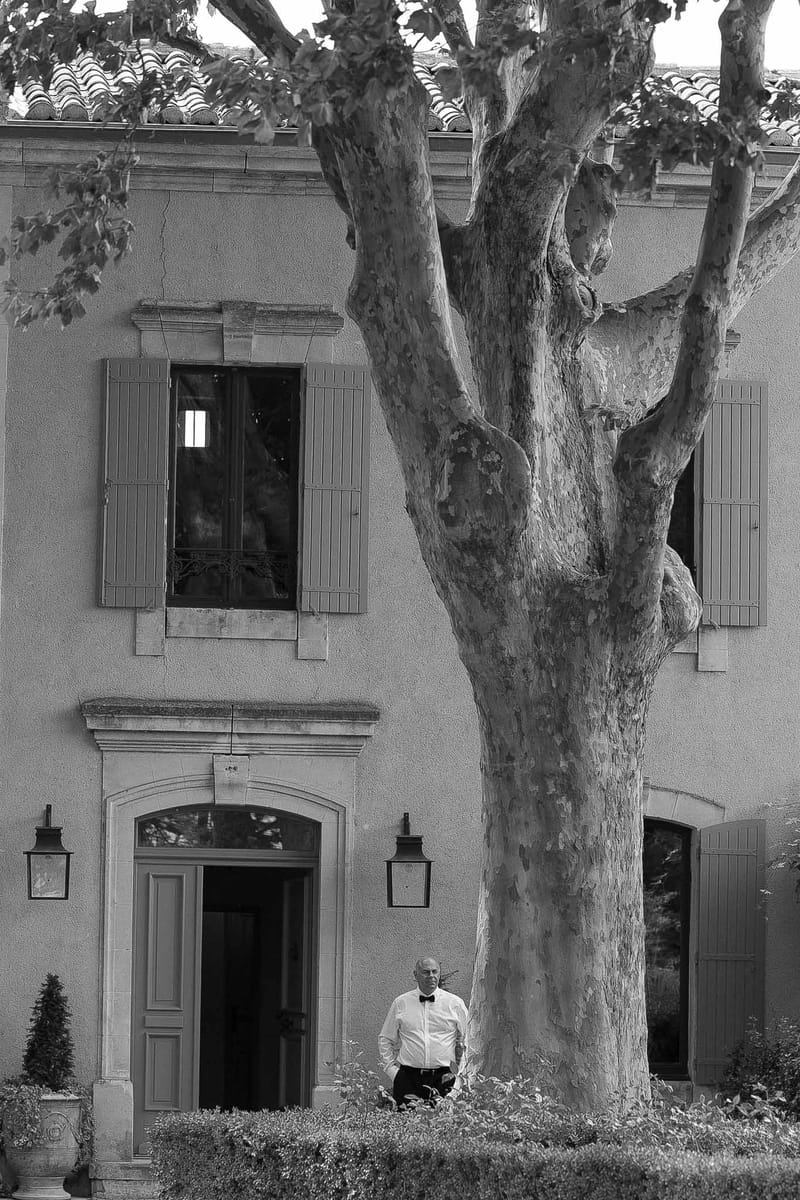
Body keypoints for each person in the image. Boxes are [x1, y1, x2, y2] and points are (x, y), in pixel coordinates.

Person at [378, 956, 468, 1108]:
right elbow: (385, 1039)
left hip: (444, 1078)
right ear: (416, 975)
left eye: (435, 972)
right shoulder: (401, 1003)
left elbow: (469, 1042)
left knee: (442, 1128)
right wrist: (393, 1071)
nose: (431, 976)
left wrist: (459, 1079)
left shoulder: (455, 1004)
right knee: (406, 1128)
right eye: (426, 972)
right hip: (408, 1078)